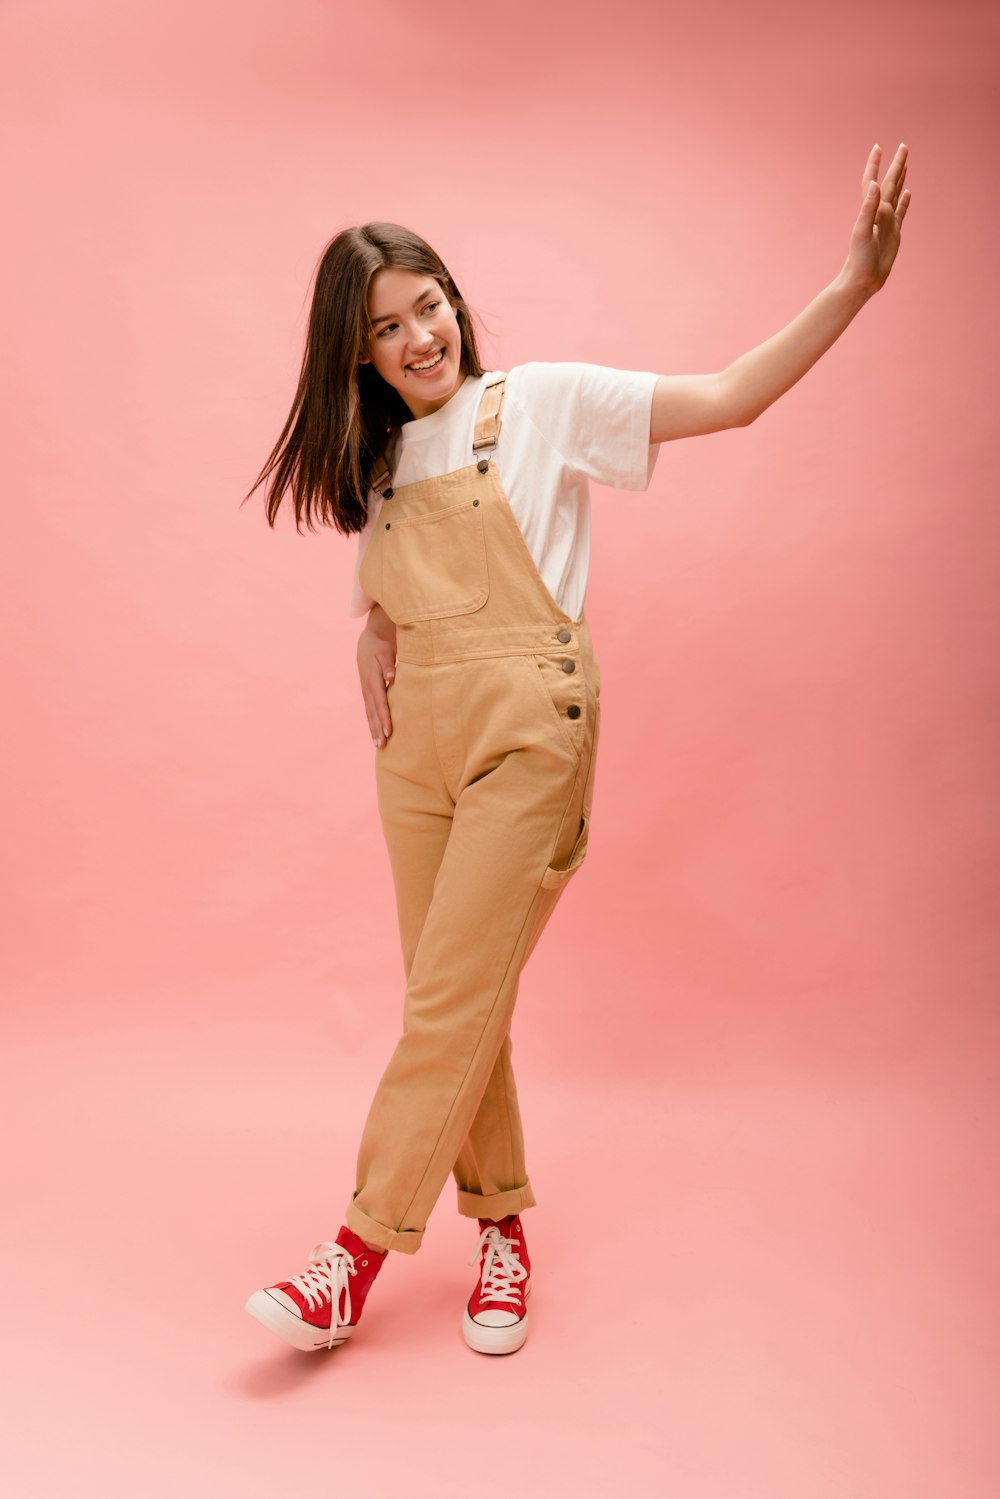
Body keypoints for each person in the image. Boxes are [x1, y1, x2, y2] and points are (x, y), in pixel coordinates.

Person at [241, 144, 911, 1357]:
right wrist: (374, 634)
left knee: (447, 998)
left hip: (526, 731)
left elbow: (729, 396)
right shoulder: (384, 462)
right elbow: (392, 595)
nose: (420, 338)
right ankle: (502, 1228)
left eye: (430, 304)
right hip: (415, 754)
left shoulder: (536, 404)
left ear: (456, 300)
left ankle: (350, 1259)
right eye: (388, 328)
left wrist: (852, 284)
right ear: (358, 353)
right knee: (455, 998)